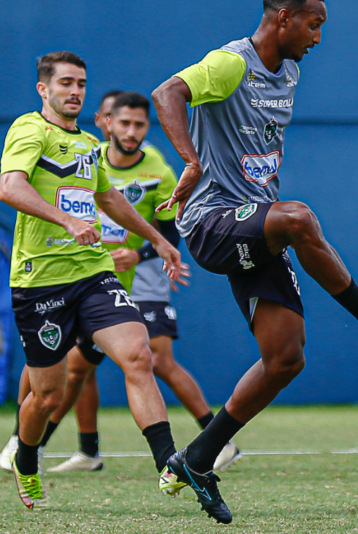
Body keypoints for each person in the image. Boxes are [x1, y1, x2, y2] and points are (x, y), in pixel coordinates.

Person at [151, 0, 358, 524]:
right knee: (299, 218)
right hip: (212, 221)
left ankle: (198, 458)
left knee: (285, 358)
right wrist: (189, 160)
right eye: (313, 24)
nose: (319, 37)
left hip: (255, 226)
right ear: (282, 19)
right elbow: (168, 94)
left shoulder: (291, 73)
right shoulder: (231, 63)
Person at [0, 51, 186, 509]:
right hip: (40, 280)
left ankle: (170, 466)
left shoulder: (86, 143)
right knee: (47, 396)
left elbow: (109, 199)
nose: (74, 91)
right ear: (44, 89)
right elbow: (10, 187)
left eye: (80, 83)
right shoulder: (29, 129)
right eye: (65, 83)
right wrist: (64, 219)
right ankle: (27, 457)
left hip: (93, 273)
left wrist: (157, 242)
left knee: (138, 354)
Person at [44, 91, 241, 473]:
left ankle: (220, 440)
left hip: (144, 279)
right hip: (96, 277)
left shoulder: (158, 169)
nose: (132, 131)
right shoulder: (88, 161)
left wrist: (142, 254)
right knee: (80, 366)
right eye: (124, 122)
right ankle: (86, 451)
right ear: (104, 122)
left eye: (139, 124)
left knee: (159, 360)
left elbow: (171, 232)